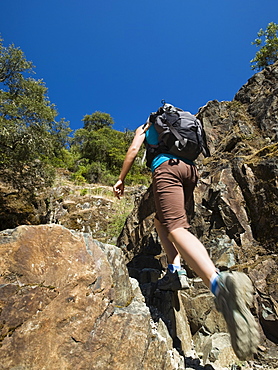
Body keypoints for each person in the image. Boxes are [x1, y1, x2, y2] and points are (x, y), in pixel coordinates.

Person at [113, 111, 259, 360]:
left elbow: (133, 150)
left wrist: (120, 179)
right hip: (190, 171)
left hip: (166, 169)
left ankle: (218, 283)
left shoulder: (147, 126)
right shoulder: (178, 125)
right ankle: (174, 270)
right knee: (162, 221)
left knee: (176, 228)